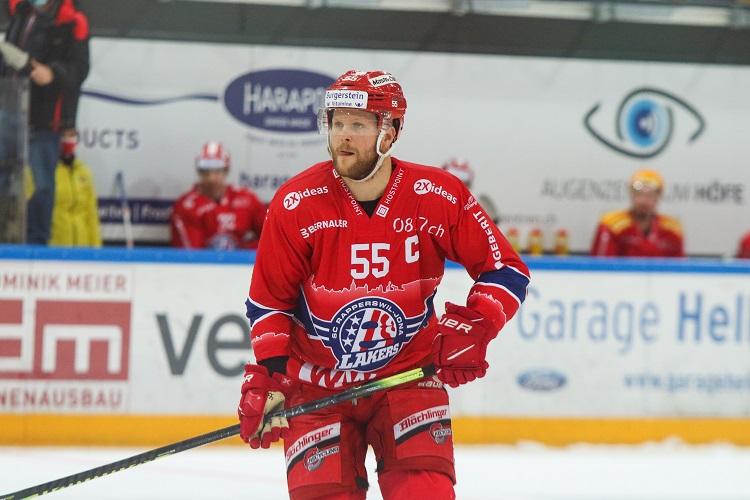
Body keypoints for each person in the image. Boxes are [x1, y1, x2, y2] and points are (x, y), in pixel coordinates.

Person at [238, 70, 530, 499]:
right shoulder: (296, 204)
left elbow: (506, 269)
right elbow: (269, 304)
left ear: (390, 132)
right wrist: (271, 377)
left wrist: (478, 325)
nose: (343, 135)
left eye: (357, 124)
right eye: (337, 122)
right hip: (316, 387)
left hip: (408, 377)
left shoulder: (437, 195)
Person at [0, 0, 90, 244]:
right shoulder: (22, 11)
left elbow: (79, 69)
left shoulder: (73, 20)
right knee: (4, 178)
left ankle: (37, 245)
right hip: (11, 108)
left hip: (45, 118)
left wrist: (52, 73)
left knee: (41, 185)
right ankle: (5, 241)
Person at [170, 141, 266, 250]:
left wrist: (245, 249)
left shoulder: (247, 199)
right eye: (206, 172)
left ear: (226, 171)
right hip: (206, 261)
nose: (211, 178)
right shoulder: (186, 207)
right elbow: (191, 255)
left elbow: (271, 236)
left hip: (244, 260)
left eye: (217, 171)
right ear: (199, 172)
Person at [590, 168, 684, 257]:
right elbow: (601, 265)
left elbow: (679, 267)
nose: (644, 201)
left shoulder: (672, 229)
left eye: (650, 195)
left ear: (658, 197)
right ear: (631, 195)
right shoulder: (612, 224)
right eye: (639, 194)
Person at [48, 129, 101, 246]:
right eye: (65, 136)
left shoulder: (84, 172)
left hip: (81, 246)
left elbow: (91, 214)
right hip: (55, 246)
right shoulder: (47, 171)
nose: (68, 141)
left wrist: (96, 248)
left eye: (72, 136)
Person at [441, 157, 499, 224]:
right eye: (453, 180)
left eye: (463, 181)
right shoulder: (437, 198)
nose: (459, 185)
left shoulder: (477, 202)